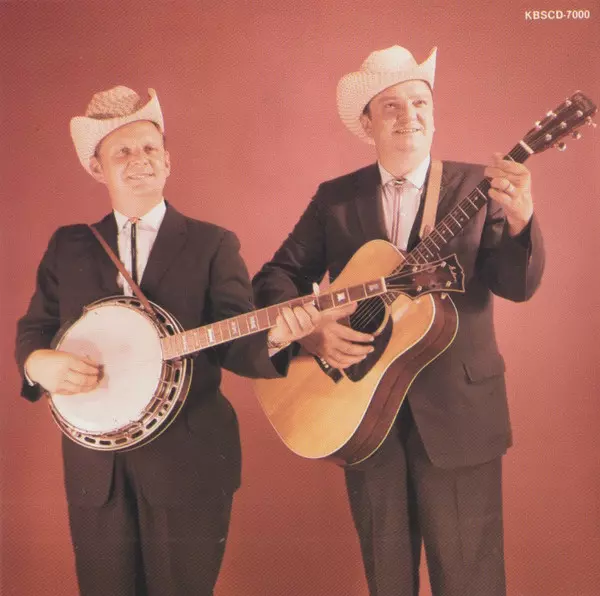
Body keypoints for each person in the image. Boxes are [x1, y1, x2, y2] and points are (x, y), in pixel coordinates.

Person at [252, 45, 545, 596]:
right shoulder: (336, 200)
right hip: (361, 414)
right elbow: (275, 277)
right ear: (367, 123)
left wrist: (522, 220)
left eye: (419, 102)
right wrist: (312, 332)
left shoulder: (478, 188)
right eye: (391, 105)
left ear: (434, 114)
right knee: (387, 583)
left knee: (473, 582)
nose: (409, 115)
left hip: (460, 415)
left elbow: (517, 286)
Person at [15, 85, 319, 596]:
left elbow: (235, 339)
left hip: (189, 462)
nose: (140, 160)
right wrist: (38, 364)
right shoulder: (68, 246)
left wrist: (276, 338)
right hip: (98, 471)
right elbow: (34, 329)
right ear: (97, 168)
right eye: (122, 152)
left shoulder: (212, 243)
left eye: (150, 148)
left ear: (168, 160)